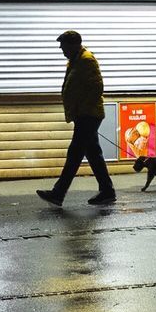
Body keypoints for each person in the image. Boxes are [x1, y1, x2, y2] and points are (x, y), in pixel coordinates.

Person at [36, 30, 117, 207]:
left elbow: (96, 88)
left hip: (88, 115)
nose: (61, 49)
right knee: (93, 154)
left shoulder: (86, 60)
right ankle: (107, 191)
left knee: (75, 153)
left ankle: (58, 193)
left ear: (72, 44)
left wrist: (81, 109)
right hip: (84, 114)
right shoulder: (75, 60)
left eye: (63, 45)